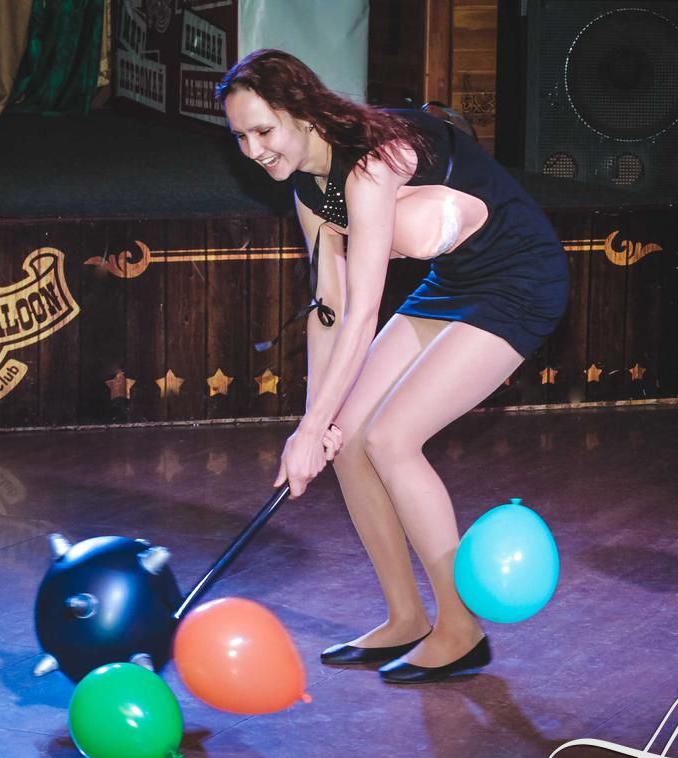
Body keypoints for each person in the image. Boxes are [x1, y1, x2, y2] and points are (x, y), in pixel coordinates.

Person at [217, 50, 568, 684]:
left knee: (391, 439)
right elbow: (330, 308)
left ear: (301, 112)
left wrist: (311, 430)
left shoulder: (371, 161)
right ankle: (405, 617)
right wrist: (316, 424)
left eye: (263, 130)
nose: (253, 150)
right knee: (348, 438)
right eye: (240, 137)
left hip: (518, 278)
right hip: (454, 281)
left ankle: (460, 629)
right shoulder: (307, 186)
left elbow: (363, 314)